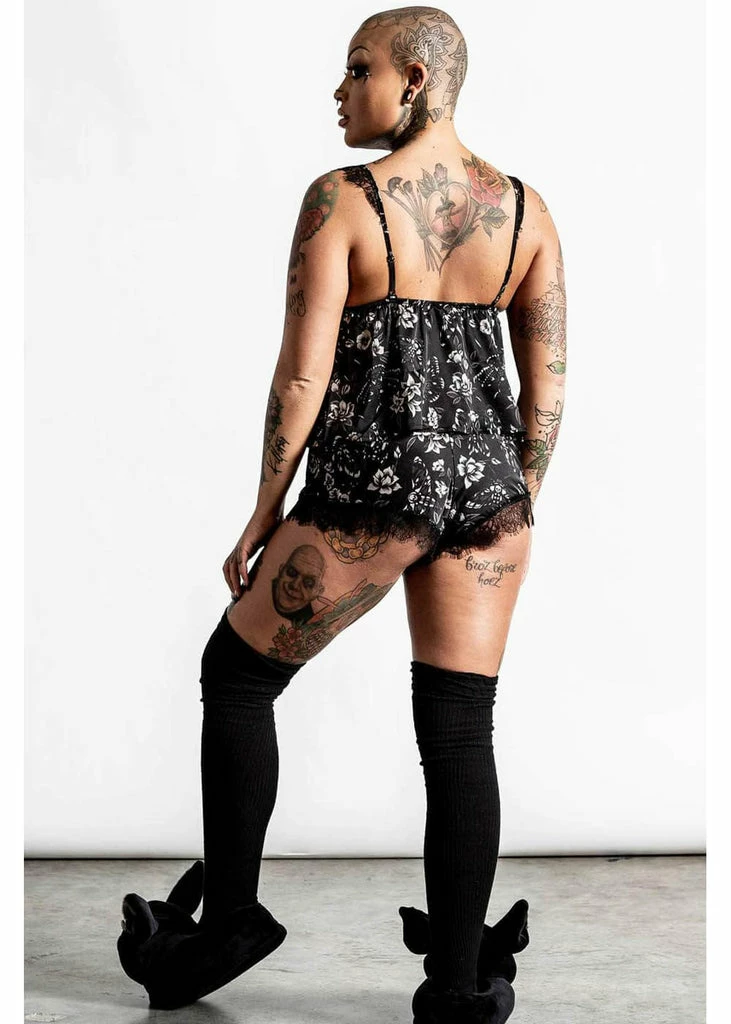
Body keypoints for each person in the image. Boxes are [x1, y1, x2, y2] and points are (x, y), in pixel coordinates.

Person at [116, 6, 565, 1022]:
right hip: (490, 497)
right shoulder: (527, 212)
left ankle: (230, 921)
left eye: (358, 68)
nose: (340, 88)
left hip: (371, 488)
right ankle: (456, 983)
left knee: (237, 675)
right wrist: (512, 495)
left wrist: (263, 510)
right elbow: (546, 388)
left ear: (416, 79)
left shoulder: (342, 201)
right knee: (458, 727)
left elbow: (301, 377)